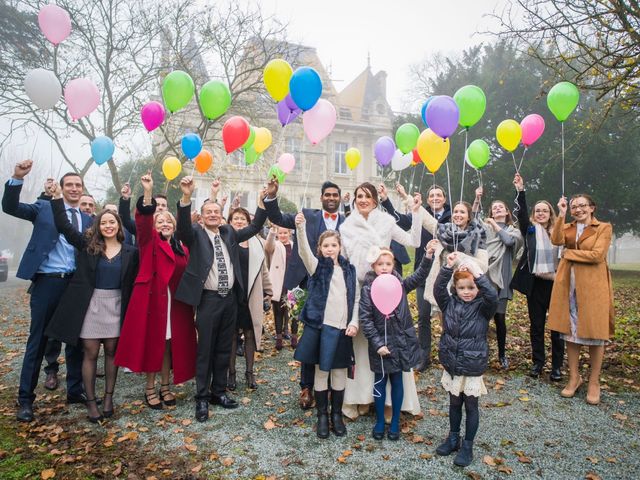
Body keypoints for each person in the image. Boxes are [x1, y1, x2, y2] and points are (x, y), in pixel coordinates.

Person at [2, 160, 91, 422]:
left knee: (75, 341)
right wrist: (17, 178)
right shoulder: (43, 208)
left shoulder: (88, 218)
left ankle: (75, 391)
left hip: (75, 285)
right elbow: (10, 207)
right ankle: (26, 399)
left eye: (78, 185)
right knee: (38, 340)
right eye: (70, 185)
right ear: (61, 188)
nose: (74, 189)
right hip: (47, 282)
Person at [174, 176, 267, 422]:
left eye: (217, 211)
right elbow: (182, 227)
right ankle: (202, 398)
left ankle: (219, 392)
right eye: (209, 212)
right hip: (208, 300)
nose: (214, 215)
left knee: (225, 349)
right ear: (202, 216)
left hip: (230, 301)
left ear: (222, 215)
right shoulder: (194, 234)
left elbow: (254, 227)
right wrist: (186, 197)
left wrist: (261, 202)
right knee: (205, 349)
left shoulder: (228, 233)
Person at [46, 184, 138, 422]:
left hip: (117, 305)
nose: (108, 226)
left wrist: (126, 200)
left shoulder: (130, 251)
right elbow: (65, 227)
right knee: (90, 353)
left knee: (111, 352)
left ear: (118, 226)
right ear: (98, 226)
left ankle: (108, 397)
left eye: (112, 222)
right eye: (104, 222)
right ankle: (90, 401)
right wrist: (56, 199)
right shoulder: (88, 247)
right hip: (91, 306)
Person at [339, 182, 422, 419]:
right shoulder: (346, 227)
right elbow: (343, 261)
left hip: (387, 290)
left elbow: (413, 241)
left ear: (375, 199)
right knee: (362, 347)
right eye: (359, 196)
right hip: (358, 291)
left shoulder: (386, 222)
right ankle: (361, 398)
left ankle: (388, 402)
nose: (363, 200)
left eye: (367, 196)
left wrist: (415, 213)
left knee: (389, 344)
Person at [114, 174, 196, 410]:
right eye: (160, 222)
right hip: (152, 302)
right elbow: (142, 221)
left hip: (175, 304)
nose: (165, 224)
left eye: (168, 221)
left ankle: (165, 386)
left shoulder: (181, 248)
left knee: (170, 345)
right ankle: (150, 388)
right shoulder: (148, 241)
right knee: (154, 343)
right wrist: (148, 193)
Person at [263, 178, 346, 410]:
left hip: (338, 286)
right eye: (327, 195)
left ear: (339, 198)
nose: (331, 198)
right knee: (312, 337)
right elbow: (279, 218)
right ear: (321, 198)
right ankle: (307, 387)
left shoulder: (347, 222)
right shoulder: (307, 215)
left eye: (334, 195)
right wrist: (271, 196)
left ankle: (332, 388)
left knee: (335, 336)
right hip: (309, 284)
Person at [359, 243, 432, 441]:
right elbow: (365, 320)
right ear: (374, 266)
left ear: (393, 265)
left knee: (398, 381)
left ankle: (396, 421)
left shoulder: (399, 285)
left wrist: (427, 257)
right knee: (380, 381)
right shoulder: (368, 289)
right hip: (380, 346)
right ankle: (381, 421)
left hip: (400, 342)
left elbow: (418, 277)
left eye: (388, 263)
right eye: (380, 263)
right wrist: (377, 344)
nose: (384, 267)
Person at [293, 214, 358, 438]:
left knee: (339, 372)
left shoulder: (349, 270)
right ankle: (322, 415)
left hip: (342, 329)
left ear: (340, 247)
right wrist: (300, 228)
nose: (330, 249)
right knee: (321, 372)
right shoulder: (317, 268)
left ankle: (336, 415)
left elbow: (356, 298)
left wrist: (354, 322)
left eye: (334, 245)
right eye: (326, 245)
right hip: (321, 328)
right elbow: (303, 252)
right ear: (320, 249)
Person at [549, 194, 614, 405]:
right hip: (568, 285)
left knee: (596, 333)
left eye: (582, 206)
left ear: (592, 207)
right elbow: (556, 240)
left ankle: (594, 381)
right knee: (570, 331)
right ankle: (574, 377)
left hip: (594, 287)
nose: (578, 210)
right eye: (574, 207)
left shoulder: (603, 227)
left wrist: (569, 254)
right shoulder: (567, 226)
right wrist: (561, 213)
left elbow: (597, 255)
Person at [434, 252, 498, 467]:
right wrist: (447, 268)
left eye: (471, 287)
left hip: (471, 364)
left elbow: (493, 297)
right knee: (454, 403)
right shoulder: (449, 304)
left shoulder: (483, 307)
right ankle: (453, 437)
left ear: (477, 288)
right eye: (462, 288)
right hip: (453, 362)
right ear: (456, 288)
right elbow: (437, 289)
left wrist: (479, 276)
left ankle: (468, 444)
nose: (467, 292)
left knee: (471, 405)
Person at [381, 183, 451, 371]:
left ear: (444, 198)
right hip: (424, 269)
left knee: (448, 316)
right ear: (427, 200)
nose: (435, 198)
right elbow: (401, 221)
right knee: (423, 316)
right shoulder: (418, 213)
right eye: (432, 195)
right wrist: (387, 201)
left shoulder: (452, 216)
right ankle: (424, 356)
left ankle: (448, 354)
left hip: (446, 272)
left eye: (439, 195)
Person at [510, 174, 564, 380]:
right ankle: (538, 363)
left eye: (545, 210)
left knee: (557, 327)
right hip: (535, 284)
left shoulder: (560, 230)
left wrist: (563, 210)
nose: (541, 213)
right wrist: (521, 191)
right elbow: (521, 214)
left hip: (557, 284)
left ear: (550, 213)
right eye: (538, 211)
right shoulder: (530, 230)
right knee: (537, 325)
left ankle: (557, 367)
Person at [472, 187, 523, 369]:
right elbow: (474, 219)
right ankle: (480, 353)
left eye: (501, 207)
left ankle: (502, 354)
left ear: (507, 211)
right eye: (494, 208)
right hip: (486, 277)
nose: (498, 209)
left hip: (502, 280)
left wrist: (494, 225)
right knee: (482, 318)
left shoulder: (514, 231)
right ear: (491, 212)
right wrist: (477, 199)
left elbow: (509, 242)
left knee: (500, 318)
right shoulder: (485, 229)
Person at [226, 206, 273, 391]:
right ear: (229, 222)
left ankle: (249, 371)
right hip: (231, 295)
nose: (239, 221)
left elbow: (263, 269)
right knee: (231, 336)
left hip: (251, 294)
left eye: (243, 219)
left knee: (250, 333)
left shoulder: (257, 242)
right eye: (235, 218)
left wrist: (269, 291)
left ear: (248, 223)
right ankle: (231, 374)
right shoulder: (226, 240)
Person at [414, 194, 489, 307]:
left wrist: (460, 257)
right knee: (445, 323)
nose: (458, 215)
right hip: (444, 286)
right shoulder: (445, 231)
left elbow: (483, 266)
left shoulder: (478, 235)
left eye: (462, 212)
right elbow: (427, 219)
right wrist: (408, 198)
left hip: (466, 288)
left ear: (469, 216)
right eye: (456, 211)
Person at [266, 226, 294, 350]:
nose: (283, 235)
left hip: (292, 283)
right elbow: (268, 246)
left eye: (285, 233)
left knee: (293, 311)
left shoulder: (294, 246)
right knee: (278, 311)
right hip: (279, 283)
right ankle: (279, 337)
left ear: (289, 233)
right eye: (280, 233)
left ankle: (293, 336)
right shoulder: (275, 245)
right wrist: (272, 231)